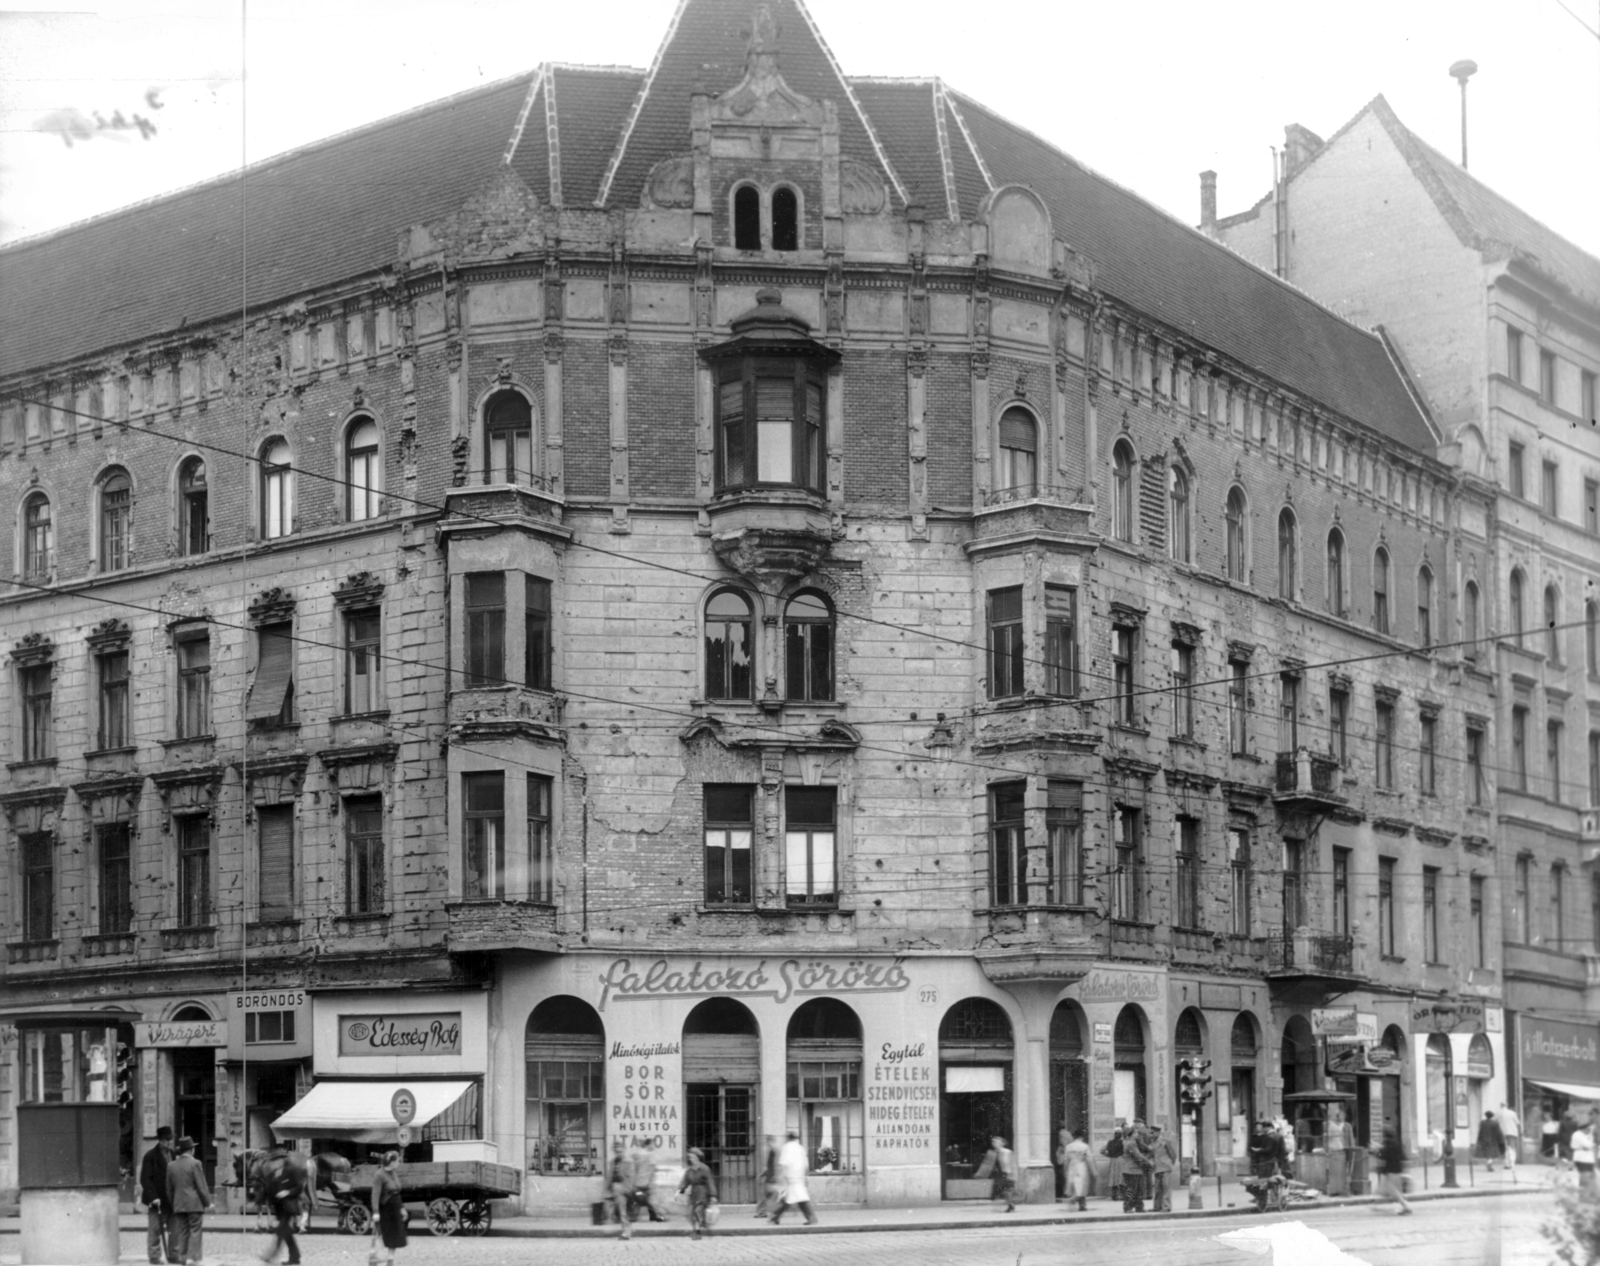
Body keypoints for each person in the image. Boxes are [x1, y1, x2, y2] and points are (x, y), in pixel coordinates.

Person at [260, 1140, 311, 1265]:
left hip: (289, 1207)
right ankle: (295, 1258)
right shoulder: (274, 1173)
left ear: (283, 1159)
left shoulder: (292, 1170)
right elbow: (270, 1190)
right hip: (280, 1209)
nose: (274, 1163)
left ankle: (270, 1256)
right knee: (287, 1234)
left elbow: (299, 1187)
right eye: (273, 1160)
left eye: (276, 1160)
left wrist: (287, 1192)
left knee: (280, 1232)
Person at [165, 1136, 211, 1266]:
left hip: (179, 1204)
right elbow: (201, 1186)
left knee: (183, 1231)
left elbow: (169, 1189)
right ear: (191, 1149)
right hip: (194, 1204)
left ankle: (183, 1257)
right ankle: (192, 1258)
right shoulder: (196, 1163)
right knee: (195, 1230)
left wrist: (174, 1203)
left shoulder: (171, 1165)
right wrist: (207, 1202)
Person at [140, 1126, 175, 1265]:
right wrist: (153, 1197)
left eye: (170, 1139)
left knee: (174, 1230)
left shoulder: (173, 1154)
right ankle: (154, 1257)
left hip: (172, 1200)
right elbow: (145, 1179)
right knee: (155, 1230)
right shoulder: (150, 1156)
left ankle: (174, 1255)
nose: (169, 1142)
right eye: (166, 1139)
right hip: (157, 1201)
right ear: (160, 1140)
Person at [771, 1130, 817, 1225]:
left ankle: (811, 1218)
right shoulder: (801, 1148)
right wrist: (804, 1177)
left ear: (788, 1138)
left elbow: (784, 1163)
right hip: (799, 1178)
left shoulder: (787, 1147)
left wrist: (780, 1177)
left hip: (790, 1178)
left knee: (796, 1199)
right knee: (793, 1198)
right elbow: (805, 1165)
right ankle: (775, 1217)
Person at [370, 1150, 406, 1265]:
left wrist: (402, 1208)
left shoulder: (393, 1172)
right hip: (385, 1210)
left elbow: (397, 1191)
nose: (398, 1163)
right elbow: (375, 1195)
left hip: (395, 1209)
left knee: (395, 1236)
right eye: (397, 1161)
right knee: (384, 1235)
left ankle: (390, 1261)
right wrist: (376, 1212)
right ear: (392, 1162)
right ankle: (374, 1256)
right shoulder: (379, 1175)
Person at [678, 1147, 718, 1239]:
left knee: (698, 1211)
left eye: (692, 1157)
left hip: (703, 1193)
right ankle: (697, 1228)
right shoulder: (689, 1170)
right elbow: (685, 1181)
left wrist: (713, 1195)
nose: (690, 1159)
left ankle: (698, 1231)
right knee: (689, 1214)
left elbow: (710, 1182)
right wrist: (680, 1191)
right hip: (693, 1193)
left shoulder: (704, 1169)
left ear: (697, 1157)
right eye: (690, 1157)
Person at [1374, 1122, 1412, 1215]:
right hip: (1397, 1168)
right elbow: (1402, 1155)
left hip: (1392, 1169)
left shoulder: (1389, 1143)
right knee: (1393, 1189)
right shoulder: (1396, 1142)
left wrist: (1376, 1151)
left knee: (1392, 1189)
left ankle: (1406, 1207)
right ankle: (1405, 1206)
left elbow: (1383, 1155)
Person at [631, 1137, 667, 1222]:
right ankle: (658, 1215)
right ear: (649, 1144)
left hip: (638, 1181)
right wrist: (651, 1182)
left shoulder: (638, 1154)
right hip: (647, 1182)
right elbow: (652, 1170)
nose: (654, 1146)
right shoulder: (650, 1155)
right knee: (651, 1199)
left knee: (639, 1199)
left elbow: (635, 1169)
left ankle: (635, 1216)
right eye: (653, 1144)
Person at [1120, 1119, 1152, 1213]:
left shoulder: (1128, 1142)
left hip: (1132, 1169)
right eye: (1136, 1133)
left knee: (1138, 1189)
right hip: (1132, 1170)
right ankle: (1128, 1207)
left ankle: (1139, 1207)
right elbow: (1137, 1156)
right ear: (1132, 1134)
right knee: (1132, 1189)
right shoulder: (1131, 1144)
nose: (1138, 1134)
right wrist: (1148, 1162)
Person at [607, 1137, 634, 1239]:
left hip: (623, 1189)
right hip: (615, 1190)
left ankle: (626, 1232)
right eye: (616, 1151)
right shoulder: (612, 1162)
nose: (618, 1153)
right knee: (620, 1211)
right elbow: (609, 1177)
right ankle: (627, 1230)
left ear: (624, 1150)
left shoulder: (628, 1162)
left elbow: (631, 1178)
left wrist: (623, 1188)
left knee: (622, 1211)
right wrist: (607, 1190)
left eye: (620, 1150)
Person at [983, 1135, 1017, 1212]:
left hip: (1006, 1173)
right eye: (993, 1142)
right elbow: (986, 1163)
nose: (994, 1143)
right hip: (998, 1174)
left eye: (996, 1142)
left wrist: (1013, 1174)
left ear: (1002, 1143)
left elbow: (1013, 1164)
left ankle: (1010, 1205)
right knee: (1004, 1191)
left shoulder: (1008, 1152)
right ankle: (1010, 1204)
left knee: (1006, 1191)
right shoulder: (992, 1152)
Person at [1060, 1128, 1091, 1212]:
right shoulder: (1085, 1146)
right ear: (1081, 1137)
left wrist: (1065, 1170)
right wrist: (1093, 1170)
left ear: (1074, 1136)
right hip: (1081, 1166)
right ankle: (1080, 1204)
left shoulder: (1068, 1147)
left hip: (1071, 1167)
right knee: (1082, 1186)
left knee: (1074, 1186)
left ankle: (1077, 1203)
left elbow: (1066, 1160)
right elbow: (1089, 1159)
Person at [1149, 1124, 1177, 1211]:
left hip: (1165, 1167)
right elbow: (1151, 1155)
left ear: (1158, 1132)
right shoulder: (1152, 1143)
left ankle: (1167, 1206)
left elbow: (1173, 1154)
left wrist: (1170, 1164)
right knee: (1157, 1189)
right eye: (1150, 1133)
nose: (1151, 1134)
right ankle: (1157, 1207)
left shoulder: (1165, 1142)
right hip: (1157, 1168)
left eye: (1152, 1132)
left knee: (1166, 1188)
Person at [1326, 1107, 1353, 1196]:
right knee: (1338, 1170)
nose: (1341, 1116)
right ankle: (1338, 1188)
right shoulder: (1332, 1125)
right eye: (1339, 1115)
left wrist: (1351, 1147)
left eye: (1342, 1115)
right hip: (1336, 1149)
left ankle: (1343, 1188)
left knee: (1344, 1170)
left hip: (1342, 1149)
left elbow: (1350, 1138)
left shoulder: (1346, 1125)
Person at [755, 1134, 781, 1218]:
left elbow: (774, 1165)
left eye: (767, 1141)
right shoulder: (772, 1151)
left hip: (771, 1177)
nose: (766, 1143)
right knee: (770, 1195)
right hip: (771, 1176)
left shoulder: (774, 1151)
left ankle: (763, 1211)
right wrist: (763, 1174)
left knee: (768, 1195)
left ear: (771, 1141)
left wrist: (774, 1176)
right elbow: (771, 1166)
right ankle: (768, 1211)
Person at [1498, 1102, 1521, 1183]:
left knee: (1506, 1148)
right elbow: (1518, 1123)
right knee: (1512, 1148)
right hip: (1512, 1132)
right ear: (1506, 1106)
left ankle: (1507, 1163)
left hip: (1503, 1133)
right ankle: (1512, 1163)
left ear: (1500, 1106)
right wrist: (1519, 1132)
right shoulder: (1512, 1113)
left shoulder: (1499, 1113)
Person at [1572, 1117, 1596, 1195]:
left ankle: (1585, 1193)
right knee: (1585, 1176)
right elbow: (1588, 1145)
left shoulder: (1585, 1135)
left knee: (1587, 1177)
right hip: (1582, 1159)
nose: (1589, 1131)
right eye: (1588, 1129)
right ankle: (1583, 1194)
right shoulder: (1578, 1135)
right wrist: (1593, 1142)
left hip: (1587, 1158)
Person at [1102, 1124, 1125, 1203]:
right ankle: (1122, 1195)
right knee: (1121, 1178)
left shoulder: (1110, 1142)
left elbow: (1102, 1150)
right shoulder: (1123, 1142)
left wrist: (1108, 1155)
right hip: (1121, 1160)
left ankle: (1115, 1195)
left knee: (1113, 1178)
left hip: (1112, 1160)